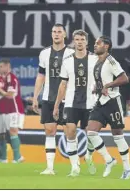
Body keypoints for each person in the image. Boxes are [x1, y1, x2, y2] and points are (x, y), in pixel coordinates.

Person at [53, 29, 97, 176]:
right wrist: (57, 105)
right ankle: (74, 167)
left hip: (90, 103)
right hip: (71, 102)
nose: (79, 42)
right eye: (77, 39)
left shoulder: (95, 59)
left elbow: (102, 78)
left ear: (87, 42)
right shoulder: (67, 61)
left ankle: (89, 157)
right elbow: (62, 84)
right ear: (74, 41)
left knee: (90, 134)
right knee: (70, 131)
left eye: (82, 40)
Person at [87, 36, 130, 179]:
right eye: (95, 43)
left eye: (98, 43)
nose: (95, 45)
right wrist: (98, 87)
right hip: (101, 102)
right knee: (91, 133)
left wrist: (108, 85)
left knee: (118, 136)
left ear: (106, 46)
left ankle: (127, 168)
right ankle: (109, 160)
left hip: (113, 102)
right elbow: (102, 80)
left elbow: (124, 78)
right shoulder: (97, 61)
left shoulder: (111, 61)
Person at [32, 23, 75, 175]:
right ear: (51, 34)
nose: (56, 34)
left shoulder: (72, 52)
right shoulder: (44, 53)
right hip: (48, 98)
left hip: (68, 99)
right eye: (54, 32)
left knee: (70, 132)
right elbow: (41, 76)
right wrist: (35, 96)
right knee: (50, 131)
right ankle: (50, 168)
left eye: (59, 32)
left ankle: (74, 167)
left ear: (64, 34)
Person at [0, 58, 25, 163]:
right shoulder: (0, 79)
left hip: (13, 110)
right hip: (3, 110)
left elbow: (10, 95)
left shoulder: (12, 78)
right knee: (1, 133)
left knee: (13, 132)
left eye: (1, 66)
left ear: (7, 66)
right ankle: (3, 158)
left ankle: (17, 157)